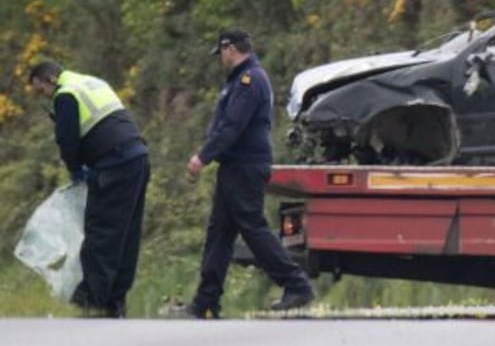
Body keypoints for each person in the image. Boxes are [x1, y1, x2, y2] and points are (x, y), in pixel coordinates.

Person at [177, 29, 314, 318]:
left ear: (230, 49)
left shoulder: (250, 80)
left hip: (245, 166)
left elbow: (232, 126)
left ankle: (296, 284)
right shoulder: (240, 80)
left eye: (221, 52)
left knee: (252, 228)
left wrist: (203, 156)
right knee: (219, 233)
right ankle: (206, 301)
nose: (220, 59)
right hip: (234, 167)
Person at [28, 61, 150, 318]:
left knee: (101, 232)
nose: (44, 97)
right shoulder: (92, 82)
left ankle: (91, 302)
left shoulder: (65, 95)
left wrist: (75, 170)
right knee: (127, 234)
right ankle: (115, 302)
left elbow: (67, 140)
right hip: (138, 158)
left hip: (114, 164)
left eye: (41, 90)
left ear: (50, 79)